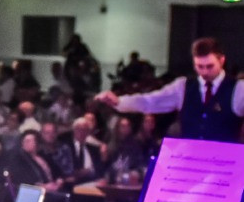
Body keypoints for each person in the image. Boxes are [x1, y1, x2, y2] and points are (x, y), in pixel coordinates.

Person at [95, 37, 244, 142]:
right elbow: (150, 101)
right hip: (190, 159)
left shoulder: (238, 89)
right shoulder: (183, 86)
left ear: (221, 60)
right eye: (199, 66)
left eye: (210, 66)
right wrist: (119, 101)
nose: (204, 72)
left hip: (225, 163)